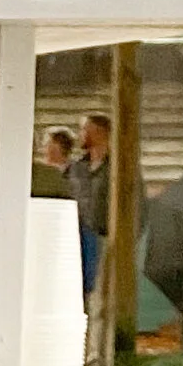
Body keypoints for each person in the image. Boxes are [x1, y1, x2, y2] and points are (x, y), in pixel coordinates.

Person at [68, 114, 112, 302]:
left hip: (104, 236)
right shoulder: (78, 167)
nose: (81, 135)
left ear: (98, 132)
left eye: (85, 129)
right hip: (75, 234)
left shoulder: (115, 167)